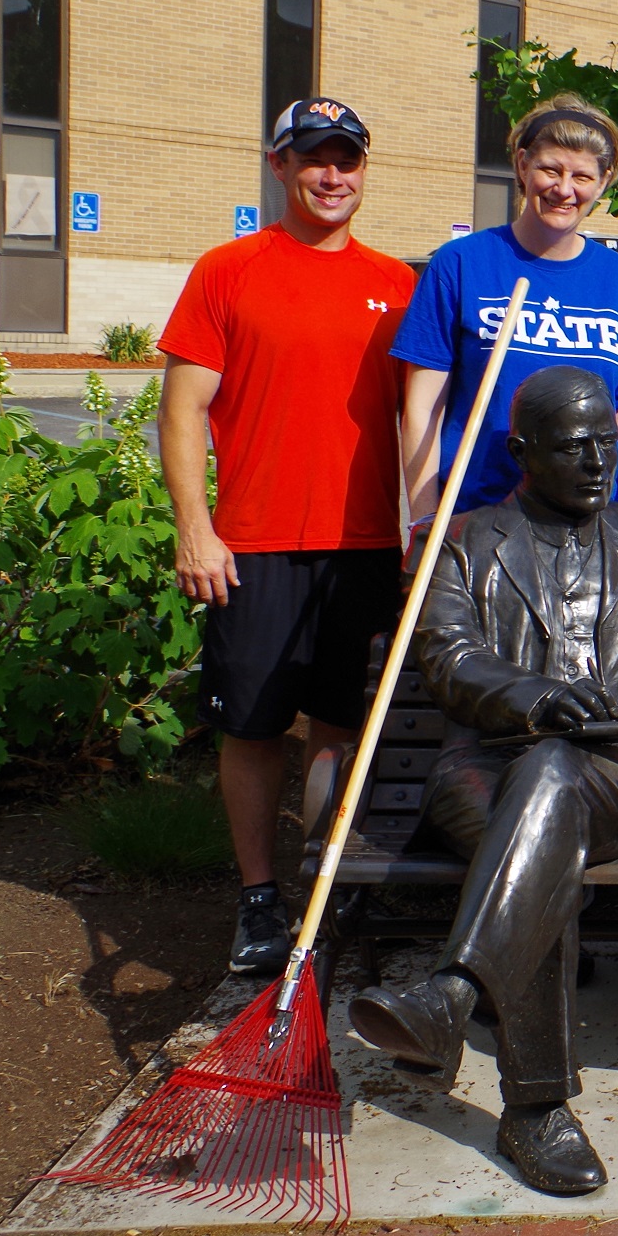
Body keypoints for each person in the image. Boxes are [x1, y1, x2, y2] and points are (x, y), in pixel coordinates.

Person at [348, 368, 618, 1195]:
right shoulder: (467, 540)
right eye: (573, 447)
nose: (598, 462)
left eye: (607, 444)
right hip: (479, 773)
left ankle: (462, 1011)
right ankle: (533, 1103)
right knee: (542, 804)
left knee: (550, 797)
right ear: (521, 451)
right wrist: (537, 697)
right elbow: (446, 656)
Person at [158, 97, 412, 978]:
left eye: (348, 160)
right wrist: (197, 528)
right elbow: (182, 411)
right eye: (315, 160)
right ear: (279, 166)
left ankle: (325, 887)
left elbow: (423, 420)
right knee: (256, 728)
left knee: (341, 727)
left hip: (368, 544)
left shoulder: (399, 284)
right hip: (255, 544)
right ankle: (259, 899)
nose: (333, 176)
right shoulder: (228, 271)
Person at [394, 94, 618, 529]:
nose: (564, 189)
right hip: (480, 519)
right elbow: (423, 407)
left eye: (582, 176)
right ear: (522, 165)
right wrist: (424, 517)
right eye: (550, 169)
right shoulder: (461, 263)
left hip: (593, 525)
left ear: (604, 181)